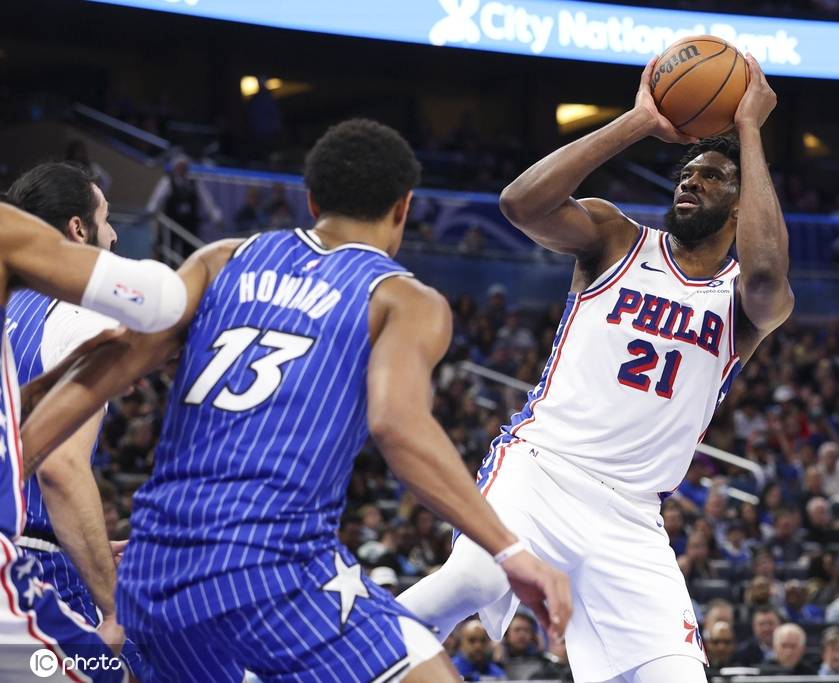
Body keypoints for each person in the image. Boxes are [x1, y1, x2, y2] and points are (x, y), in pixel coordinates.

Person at [21, 118, 571, 683]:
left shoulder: (221, 258)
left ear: (311, 200)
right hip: (271, 565)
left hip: (153, 570)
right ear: (403, 207)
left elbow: (116, 359)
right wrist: (508, 551)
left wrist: (18, 448)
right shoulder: (403, 298)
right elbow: (398, 426)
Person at [399, 53, 791, 683]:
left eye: (713, 177)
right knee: (474, 578)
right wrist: (639, 121)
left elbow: (769, 275)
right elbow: (521, 203)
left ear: (745, 207)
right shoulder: (616, 238)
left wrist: (749, 129)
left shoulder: (743, 300)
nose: (690, 183)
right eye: (687, 173)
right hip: (544, 469)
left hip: (632, 515)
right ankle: (328, 659)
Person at [0, 194, 184, 680]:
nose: (116, 236)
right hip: (29, 563)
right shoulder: (75, 311)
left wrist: (92, 546)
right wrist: (113, 610)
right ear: (77, 231)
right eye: (106, 219)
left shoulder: (12, 312)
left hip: (34, 547)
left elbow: (18, 434)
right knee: (125, 670)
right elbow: (60, 468)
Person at [145, 154, 222, 255]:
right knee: (169, 247)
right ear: (175, 168)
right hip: (172, 221)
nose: (182, 170)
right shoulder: (167, 181)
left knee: (189, 248)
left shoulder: (194, 182)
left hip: (189, 222)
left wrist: (216, 216)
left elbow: (207, 200)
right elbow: (157, 198)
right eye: (179, 167)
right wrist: (150, 211)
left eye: (184, 167)